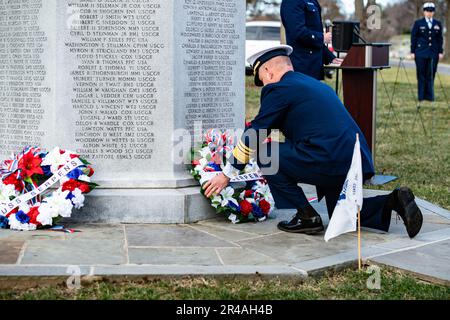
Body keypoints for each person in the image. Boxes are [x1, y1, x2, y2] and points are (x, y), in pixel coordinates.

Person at [203, 45, 423, 238]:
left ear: (268, 71)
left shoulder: (278, 88)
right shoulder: (311, 84)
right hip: (352, 159)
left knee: (266, 153)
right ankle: (394, 201)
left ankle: (306, 215)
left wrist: (227, 174)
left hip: (327, 158)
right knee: (341, 214)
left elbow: (257, 134)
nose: (264, 84)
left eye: (261, 77)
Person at [280, 0, 342, 80]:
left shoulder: (312, 1)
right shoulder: (292, 2)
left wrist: (330, 57)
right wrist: (322, 38)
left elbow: (313, 32)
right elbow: (298, 32)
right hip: (302, 65)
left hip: (314, 65)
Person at [411, 2, 444, 102]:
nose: (429, 13)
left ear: (433, 12)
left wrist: (440, 51)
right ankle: (421, 97)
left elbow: (440, 39)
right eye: (427, 11)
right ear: (424, 12)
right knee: (421, 75)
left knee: (431, 74)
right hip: (420, 53)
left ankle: (430, 97)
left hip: (433, 53)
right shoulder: (418, 23)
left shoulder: (438, 24)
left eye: (431, 11)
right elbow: (414, 38)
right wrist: (412, 51)